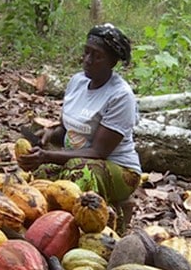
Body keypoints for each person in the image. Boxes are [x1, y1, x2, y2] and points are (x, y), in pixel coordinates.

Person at [16, 23, 142, 231]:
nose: (88, 60)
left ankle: (71, 229)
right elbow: (68, 130)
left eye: (97, 56)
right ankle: (37, 225)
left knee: (78, 173)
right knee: (43, 175)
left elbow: (99, 152)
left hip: (119, 169)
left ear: (112, 61)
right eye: (86, 52)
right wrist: (49, 135)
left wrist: (47, 155)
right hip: (79, 158)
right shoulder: (77, 82)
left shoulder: (120, 95)